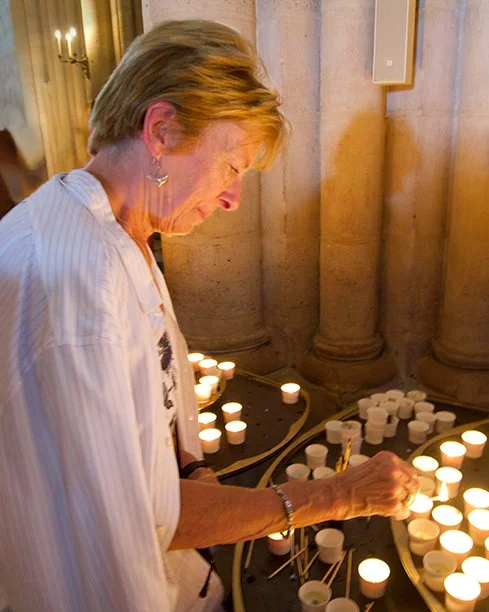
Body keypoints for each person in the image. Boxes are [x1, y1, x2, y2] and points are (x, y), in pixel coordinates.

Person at [0, 19, 419, 612]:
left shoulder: (115, 227)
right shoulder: (79, 290)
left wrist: (191, 465)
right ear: (162, 130)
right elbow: (136, 520)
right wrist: (339, 495)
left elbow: (149, 414)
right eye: (230, 166)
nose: (232, 198)